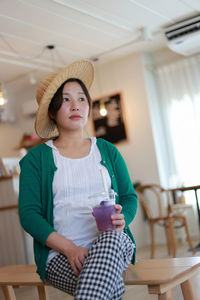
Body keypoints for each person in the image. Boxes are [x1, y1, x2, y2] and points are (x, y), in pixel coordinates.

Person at [19, 60, 138, 300]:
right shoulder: (36, 160)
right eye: (65, 99)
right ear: (52, 111)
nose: (76, 105)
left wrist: (122, 216)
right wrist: (70, 249)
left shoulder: (107, 150)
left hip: (112, 242)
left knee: (111, 241)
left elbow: (128, 197)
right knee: (107, 287)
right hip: (59, 256)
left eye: (81, 98)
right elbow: (29, 215)